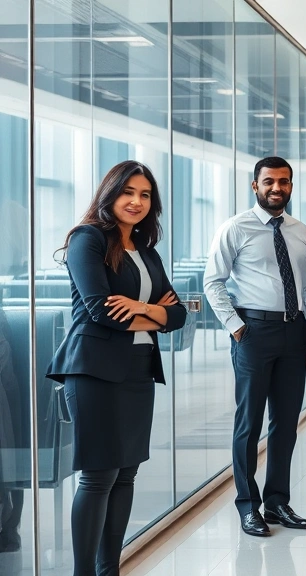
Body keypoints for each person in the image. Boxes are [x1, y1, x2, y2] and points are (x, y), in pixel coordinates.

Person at [46, 160, 187, 575]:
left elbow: (178, 315)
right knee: (98, 475)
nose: (136, 202)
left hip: (139, 369)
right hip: (94, 370)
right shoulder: (86, 240)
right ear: (111, 194)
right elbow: (101, 312)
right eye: (128, 192)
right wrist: (155, 314)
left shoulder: (146, 251)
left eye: (145, 195)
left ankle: (111, 569)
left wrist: (142, 309)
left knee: (126, 474)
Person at [203, 156, 306, 537]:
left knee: (286, 423)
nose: (277, 188)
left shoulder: (301, 231)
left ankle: (276, 501)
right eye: (269, 181)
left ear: (291, 186)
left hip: (295, 333)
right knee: (249, 423)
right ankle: (247, 506)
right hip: (253, 333)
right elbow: (213, 282)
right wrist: (237, 328)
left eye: (284, 181)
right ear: (255, 185)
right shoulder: (235, 228)